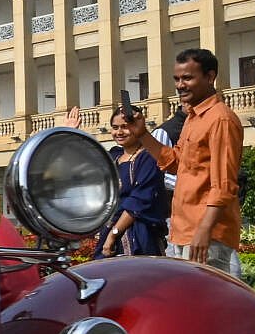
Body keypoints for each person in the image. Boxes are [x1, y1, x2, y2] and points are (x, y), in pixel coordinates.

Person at [130, 47, 244, 275]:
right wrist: (142, 134)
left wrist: (204, 229)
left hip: (206, 234)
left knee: (205, 296)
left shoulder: (220, 119)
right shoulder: (193, 118)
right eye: (177, 79)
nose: (180, 85)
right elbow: (175, 163)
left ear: (210, 77)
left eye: (187, 78)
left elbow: (224, 185)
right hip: (184, 230)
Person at [95, 105, 168, 257]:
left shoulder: (148, 158)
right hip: (109, 232)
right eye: (115, 127)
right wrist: (70, 131)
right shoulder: (113, 157)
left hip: (140, 236)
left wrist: (114, 234)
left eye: (125, 127)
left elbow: (139, 200)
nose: (119, 132)